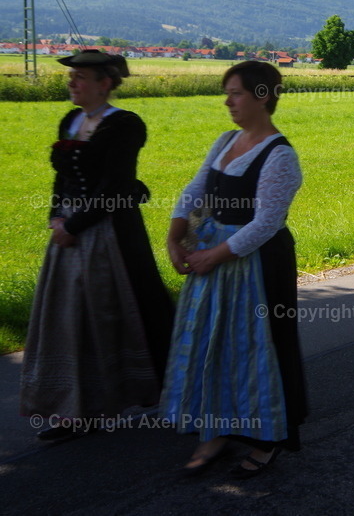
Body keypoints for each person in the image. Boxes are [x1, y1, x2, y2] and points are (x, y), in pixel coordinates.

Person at [162, 61, 307, 478]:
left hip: (257, 265)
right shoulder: (226, 140)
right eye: (227, 93)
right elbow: (196, 190)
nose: (228, 102)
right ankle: (216, 430)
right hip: (214, 258)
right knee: (215, 345)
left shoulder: (280, 155)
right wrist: (175, 235)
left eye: (236, 93)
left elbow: (266, 224)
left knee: (256, 349)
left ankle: (266, 437)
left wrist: (213, 256)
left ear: (262, 97)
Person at [21, 50, 173, 441]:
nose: (72, 82)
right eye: (71, 76)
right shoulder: (71, 120)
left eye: (81, 77)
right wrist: (56, 217)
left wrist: (74, 225)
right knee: (68, 319)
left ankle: (162, 392)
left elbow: (115, 187)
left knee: (114, 314)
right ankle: (75, 409)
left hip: (110, 233)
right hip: (69, 232)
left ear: (104, 83)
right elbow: (62, 179)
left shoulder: (124, 125)